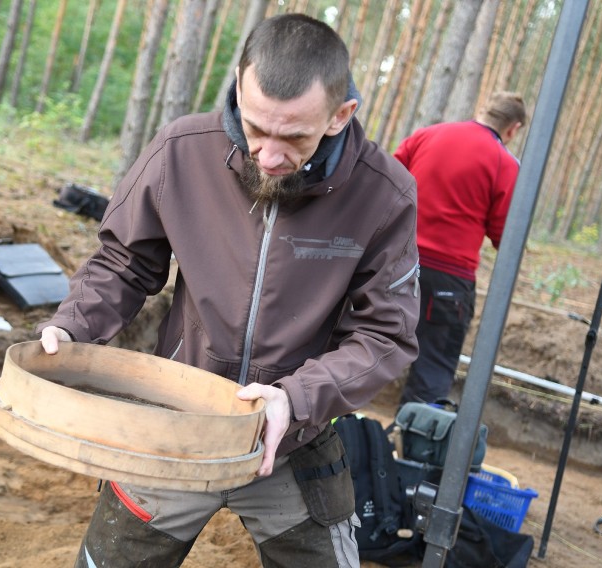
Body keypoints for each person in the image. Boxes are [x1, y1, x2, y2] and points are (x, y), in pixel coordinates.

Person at [38, 14, 420, 568]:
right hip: (175, 422)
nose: (267, 155)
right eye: (255, 127)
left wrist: (296, 399)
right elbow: (124, 263)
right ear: (239, 85)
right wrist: (72, 323)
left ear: (341, 116)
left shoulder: (384, 194)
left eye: (293, 138)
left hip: (290, 439)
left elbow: (386, 335)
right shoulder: (180, 151)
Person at [393, 92, 527, 405]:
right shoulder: (504, 163)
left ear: (482, 110)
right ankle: (414, 449)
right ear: (514, 128)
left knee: (366, 345)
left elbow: (389, 182)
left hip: (395, 262)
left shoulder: (428, 135)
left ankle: (341, 438)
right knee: (433, 366)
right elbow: (503, 233)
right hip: (448, 281)